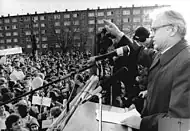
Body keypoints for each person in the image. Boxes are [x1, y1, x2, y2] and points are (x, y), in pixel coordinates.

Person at [104, 7, 190, 131]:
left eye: (154, 29)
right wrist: (119, 35)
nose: (151, 34)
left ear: (172, 30)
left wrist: (142, 123)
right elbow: (140, 52)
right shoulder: (165, 54)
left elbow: (179, 123)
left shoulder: (186, 63)